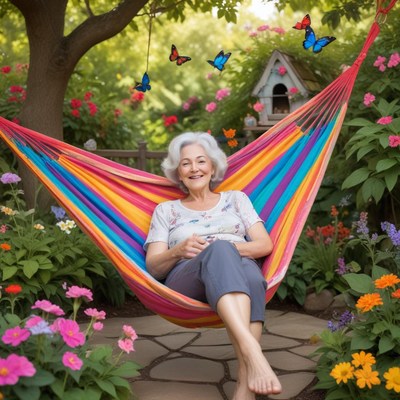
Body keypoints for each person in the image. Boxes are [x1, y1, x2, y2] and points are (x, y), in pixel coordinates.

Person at [144, 132, 282, 399]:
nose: (194, 168)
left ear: (213, 166)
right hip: (188, 277)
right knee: (220, 251)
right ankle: (253, 352)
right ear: (178, 173)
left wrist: (225, 251)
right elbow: (154, 266)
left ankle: (245, 385)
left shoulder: (236, 199)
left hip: (240, 267)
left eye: (201, 161)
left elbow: (263, 245)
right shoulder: (166, 210)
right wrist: (178, 251)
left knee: (252, 279)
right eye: (186, 163)